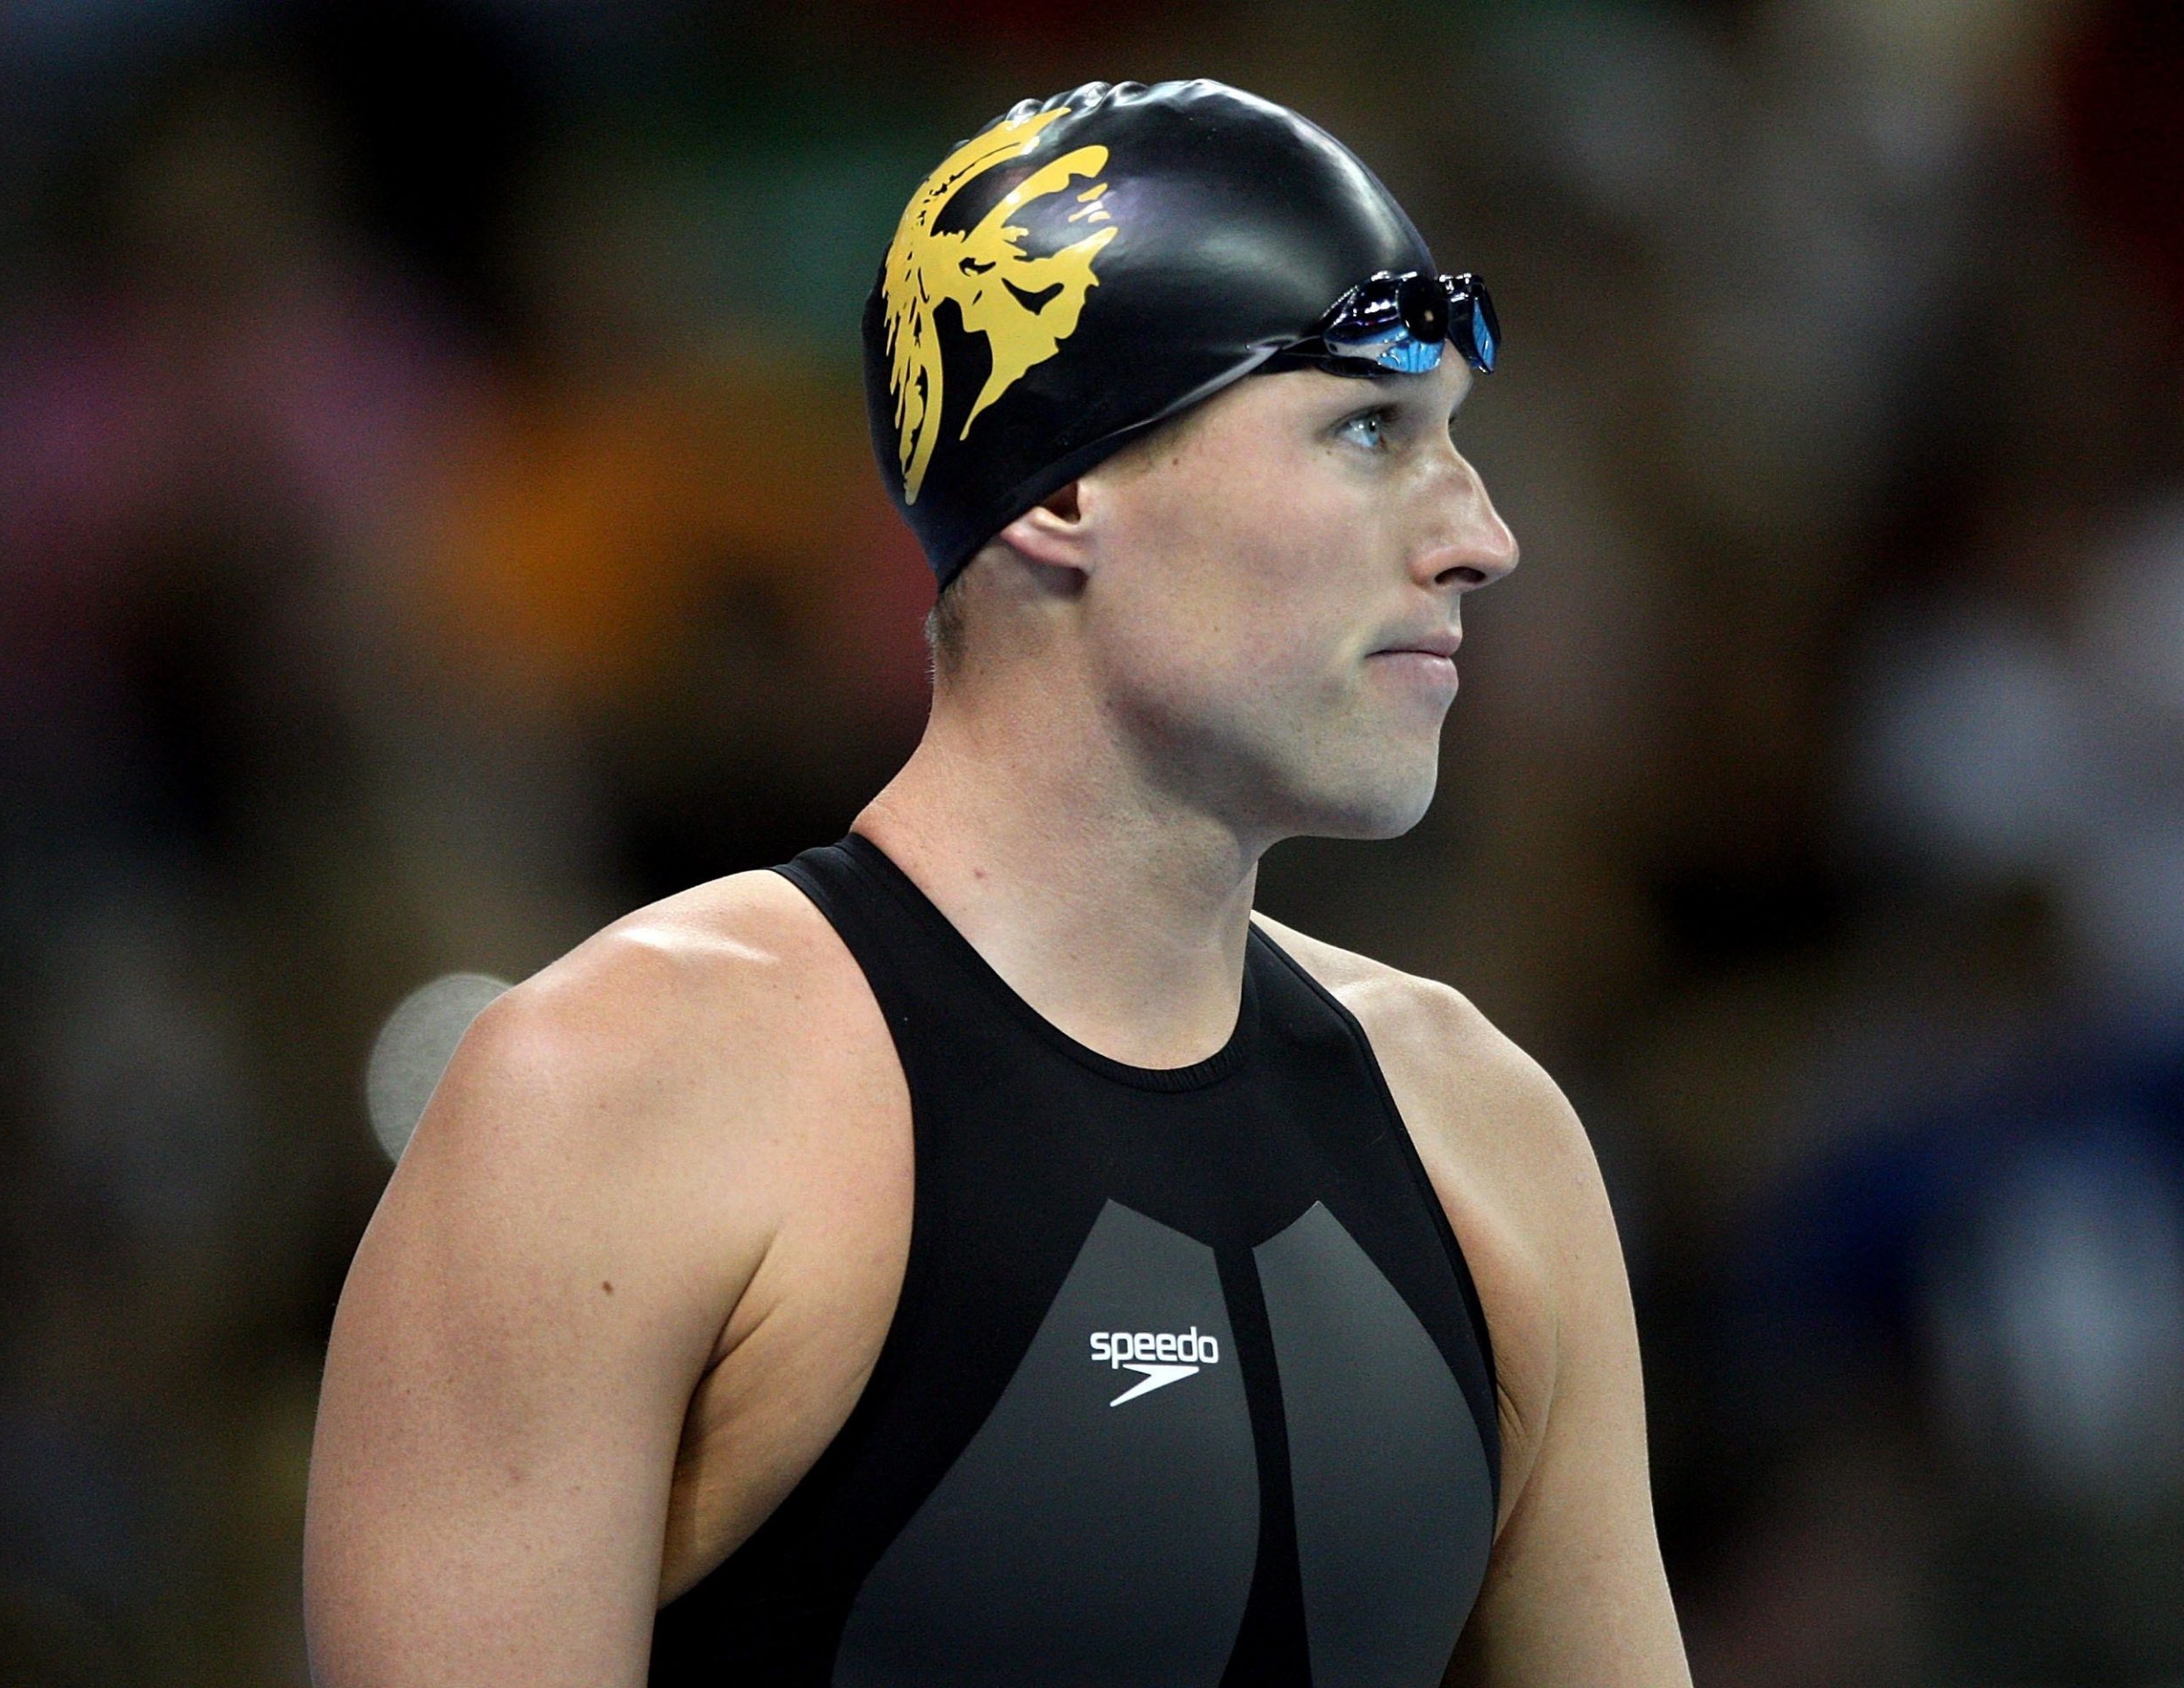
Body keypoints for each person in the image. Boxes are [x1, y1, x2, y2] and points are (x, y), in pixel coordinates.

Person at [304, 79, 1693, 1687]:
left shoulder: (1491, 1140)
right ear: (1061, 489)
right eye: (1370, 426)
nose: (1482, 536)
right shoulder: (619, 1103)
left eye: (1457, 439)